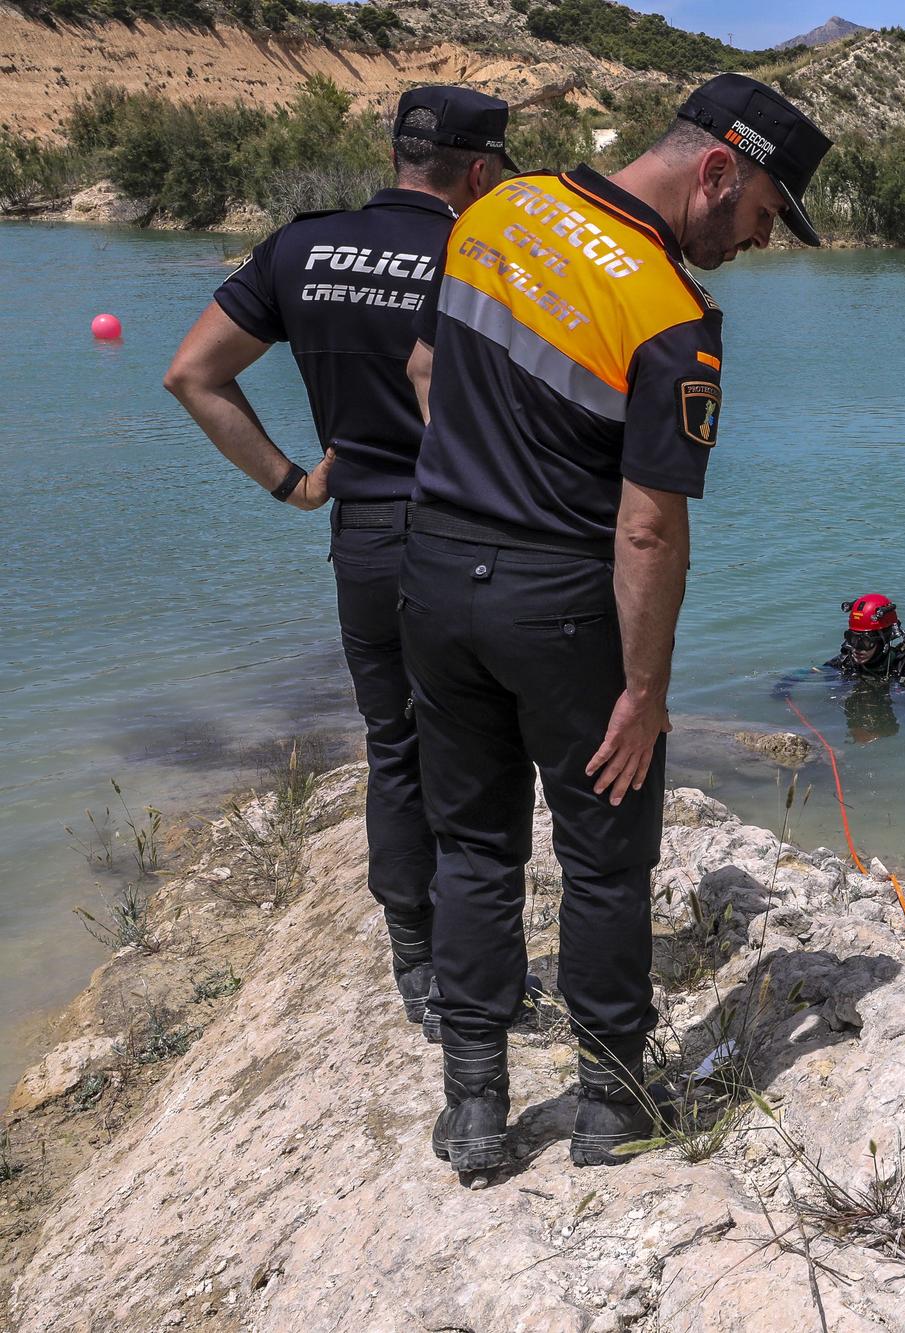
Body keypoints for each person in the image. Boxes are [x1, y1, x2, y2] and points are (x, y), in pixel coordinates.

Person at [400, 73, 831, 1175]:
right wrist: (643, 694)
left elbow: (423, 368)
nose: (759, 239)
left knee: (472, 846)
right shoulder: (673, 316)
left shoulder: (498, 207)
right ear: (718, 171)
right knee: (602, 859)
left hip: (437, 577)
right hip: (560, 605)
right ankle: (607, 1102)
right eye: (762, 215)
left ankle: (476, 1108)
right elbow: (646, 535)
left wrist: (477, 480)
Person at [163, 86, 515, 1034]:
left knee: (394, 747)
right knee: (483, 751)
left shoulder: (300, 246)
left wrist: (292, 482)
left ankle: (416, 962)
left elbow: (193, 373)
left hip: (362, 531)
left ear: (399, 154)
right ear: (479, 173)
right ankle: (482, 969)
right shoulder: (479, 251)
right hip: (471, 535)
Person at [824, 595, 905, 685]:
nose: (856, 648)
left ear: (883, 641)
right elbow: (812, 675)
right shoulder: (846, 662)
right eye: (852, 639)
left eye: (865, 641)